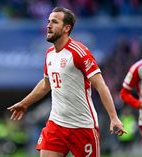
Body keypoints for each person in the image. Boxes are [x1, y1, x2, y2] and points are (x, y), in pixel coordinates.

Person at [7, 7, 126, 157]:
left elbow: (101, 86)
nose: (48, 25)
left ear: (66, 28)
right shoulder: (49, 53)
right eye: (48, 21)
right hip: (56, 124)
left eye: (54, 22)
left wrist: (113, 117)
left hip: (82, 126)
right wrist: (25, 103)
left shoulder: (79, 52)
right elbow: (46, 84)